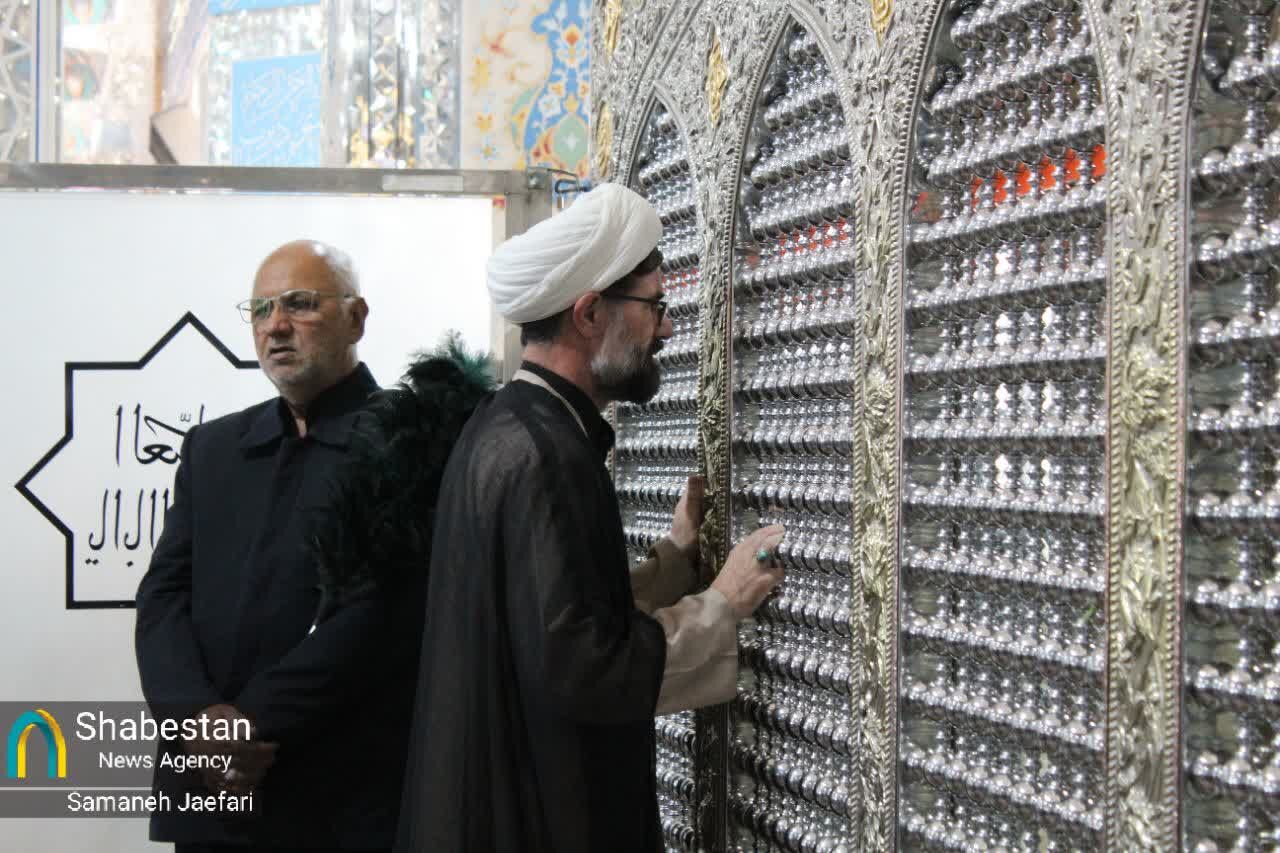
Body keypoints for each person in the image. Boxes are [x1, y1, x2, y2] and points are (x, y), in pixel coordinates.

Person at [396, 184, 787, 853]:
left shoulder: (506, 428)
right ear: (588, 313)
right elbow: (584, 667)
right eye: (655, 306)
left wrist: (673, 561)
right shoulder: (546, 455)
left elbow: (545, 613)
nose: (666, 329)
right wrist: (722, 603)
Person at [135, 240, 415, 853]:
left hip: (339, 797)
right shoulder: (213, 449)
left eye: (300, 304)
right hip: (210, 789)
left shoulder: (409, 440)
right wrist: (196, 721)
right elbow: (162, 599)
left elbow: (384, 614)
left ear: (356, 317)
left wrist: (251, 723)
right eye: (261, 309)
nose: (276, 325)